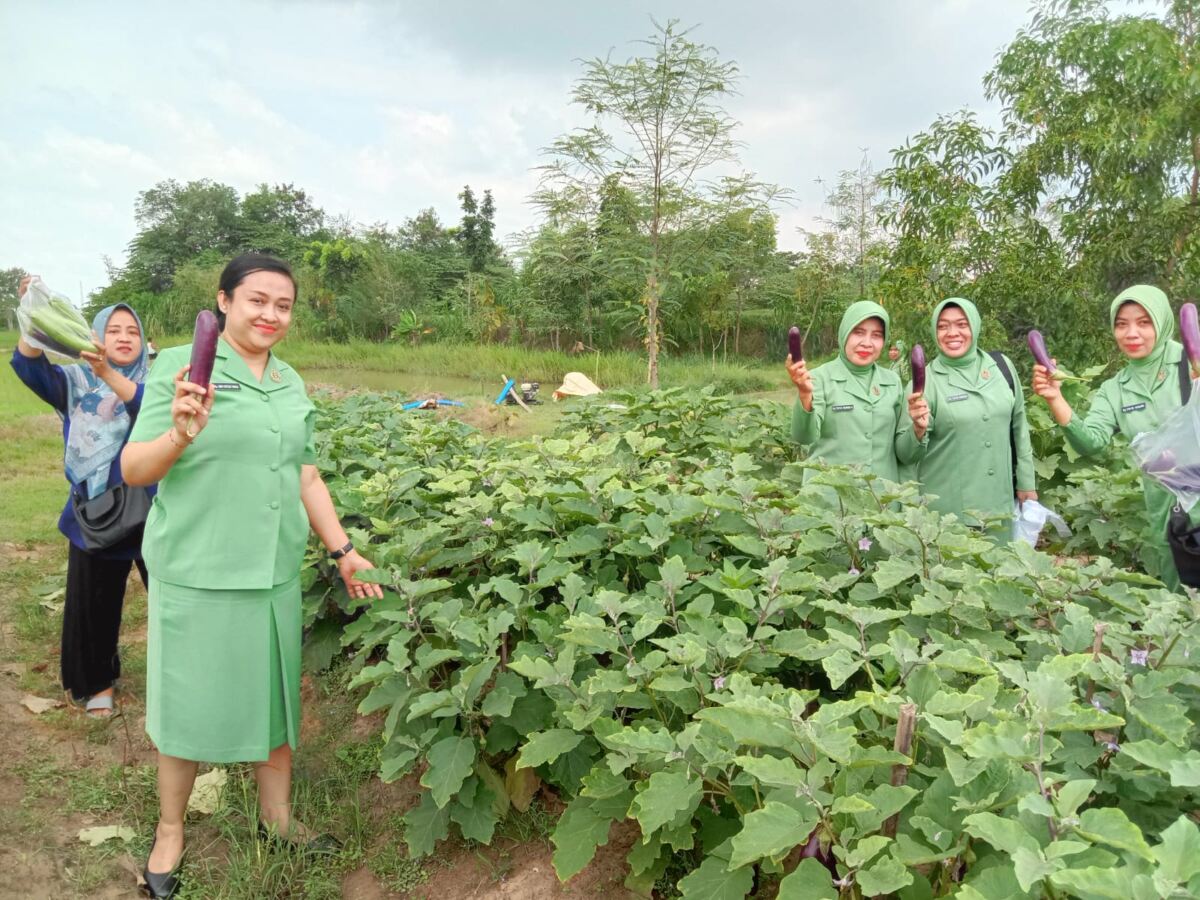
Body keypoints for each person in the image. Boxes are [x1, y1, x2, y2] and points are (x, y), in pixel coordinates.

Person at [120, 253, 384, 898]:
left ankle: (278, 819)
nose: (270, 314)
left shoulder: (290, 381)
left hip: (270, 571)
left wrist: (342, 548)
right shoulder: (181, 366)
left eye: (284, 305)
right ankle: (171, 829)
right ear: (224, 302)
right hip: (198, 566)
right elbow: (134, 470)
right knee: (186, 703)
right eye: (257, 300)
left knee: (276, 700)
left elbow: (306, 474)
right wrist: (181, 434)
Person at [10, 279, 151, 718]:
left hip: (156, 508)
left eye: (133, 331)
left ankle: (185, 675)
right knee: (95, 601)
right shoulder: (74, 381)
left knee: (172, 598)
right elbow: (28, 363)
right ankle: (97, 685)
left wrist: (111, 373)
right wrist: (36, 311)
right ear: (96, 336)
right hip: (99, 510)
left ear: (144, 340)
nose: (125, 338)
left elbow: (147, 408)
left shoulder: (157, 379)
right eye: (114, 331)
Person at [1031, 285, 1193, 589]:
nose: (1132, 333)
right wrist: (1055, 398)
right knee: (1184, 611)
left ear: (1162, 321)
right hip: (1168, 517)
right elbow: (1091, 442)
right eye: (1122, 324)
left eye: (1144, 322)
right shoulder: (1116, 388)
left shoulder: (1192, 362)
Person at [896, 297, 1037, 531]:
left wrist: (1026, 482)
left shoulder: (1002, 367)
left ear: (975, 325)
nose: (952, 333)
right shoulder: (922, 385)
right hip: (950, 516)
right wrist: (917, 430)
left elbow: (1019, 426)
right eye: (943, 326)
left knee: (1003, 565)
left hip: (1000, 508)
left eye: (962, 324)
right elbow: (905, 455)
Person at [787, 300, 919, 484]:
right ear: (844, 333)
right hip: (831, 499)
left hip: (881, 500)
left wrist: (918, 429)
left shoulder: (893, 382)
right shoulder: (819, 378)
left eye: (877, 335)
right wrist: (804, 394)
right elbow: (803, 436)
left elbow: (904, 451)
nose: (867, 343)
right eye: (858, 332)